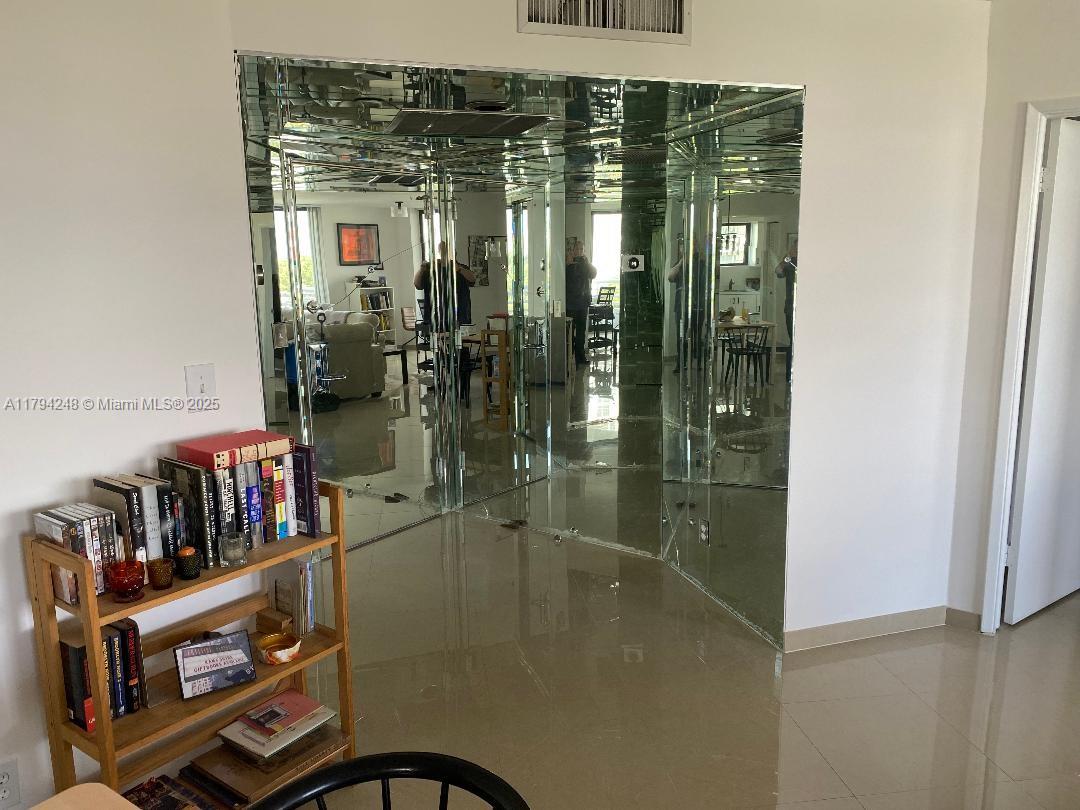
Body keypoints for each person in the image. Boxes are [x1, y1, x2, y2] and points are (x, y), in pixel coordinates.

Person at [414, 241, 475, 331]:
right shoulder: (430, 268)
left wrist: (459, 269)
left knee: (460, 337)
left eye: (447, 250)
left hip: (459, 315)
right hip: (436, 316)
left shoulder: (460, 267)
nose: (444, 253)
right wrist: (421, 269)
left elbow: (472, 279)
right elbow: (417, 285)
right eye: (442, 250)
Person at [565, 239, 597, 365]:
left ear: (584, 251)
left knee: (581, 332)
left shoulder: (585, 263)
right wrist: (567, 264)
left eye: (581, 249)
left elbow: (593, 274)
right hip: (570, 303)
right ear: (573, 250)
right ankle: (568, 357)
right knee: (569, 332)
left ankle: (580, 357)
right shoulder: (567, 263)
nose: (579, 251)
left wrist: (586, 262)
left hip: (583, 303)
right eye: (577, 249)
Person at [774, 240, 797, 382]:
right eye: (795, 247)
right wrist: (787, 257)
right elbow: (778, 271)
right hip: (790, 308)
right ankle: (789, 375)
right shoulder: (789, 262)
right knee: (792, 341)